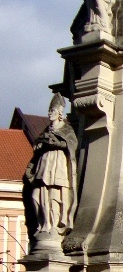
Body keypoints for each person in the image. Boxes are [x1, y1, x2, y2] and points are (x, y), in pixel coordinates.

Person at [25, 94, 78, 238]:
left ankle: (53, 225)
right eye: (49, 110)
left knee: (54, 196)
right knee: (36, 196)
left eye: (53, 110)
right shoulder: (45, 131)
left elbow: (71, 144)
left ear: (60, 113)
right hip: (44, 166)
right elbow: (37, 145)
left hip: (58, 165)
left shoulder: (66, 129)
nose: (50, 113)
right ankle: (43, 224)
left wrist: (55, 143)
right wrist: (42, 143)